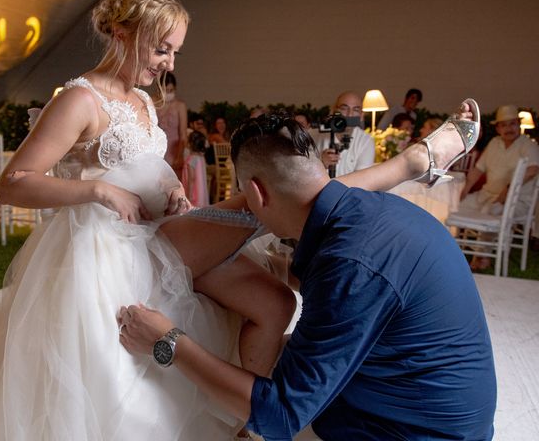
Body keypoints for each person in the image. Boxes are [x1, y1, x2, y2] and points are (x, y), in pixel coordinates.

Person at [0, 0, 298, 441]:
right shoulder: (79, 99)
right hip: (111, 248)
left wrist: (175, 188)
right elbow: (12, 185)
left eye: (174, 52)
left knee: (271, 301)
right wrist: (99, 193)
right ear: (123, 33)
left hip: (169, 232)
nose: (169, 64)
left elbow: (145, 163)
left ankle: (245, 425)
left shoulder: (141, 99)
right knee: (124, 389)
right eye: (162, 49)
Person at [118, 105, 497, 440]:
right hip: (419, 403)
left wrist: (168, 342)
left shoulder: (352, 266)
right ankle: (415, 161)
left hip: (408, 430)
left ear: (256, 194)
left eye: (246, 203)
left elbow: (280, 416)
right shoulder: (379, 210)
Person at [459, 104, 539, 270]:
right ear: (498, 128)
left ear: (519, 125)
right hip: (487, 194)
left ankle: (481, 258)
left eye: (513, 124)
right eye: (504, 125)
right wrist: (465, 190)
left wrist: (508, 190)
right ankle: (452, 250)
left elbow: (533, 169)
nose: (509, 128)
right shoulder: (495, 143)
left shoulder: (528, 145)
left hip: (516, 202)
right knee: (455, 206)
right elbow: (478, 169)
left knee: (491, 210)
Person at [313, 91, 375, 178]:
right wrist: (321, 163)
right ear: (333, 111)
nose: (349, 114)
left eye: (356, 110)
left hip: (349, 190)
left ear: (361, 115)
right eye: (344, 108)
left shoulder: (365, 141)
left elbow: (362, 179)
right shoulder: (315, 135)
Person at [156, 72, 188, 178]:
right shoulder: (153, 103)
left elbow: (183, 134)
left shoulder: (180, 106)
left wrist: (179, 156)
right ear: (160, 89)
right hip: (157, 151)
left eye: (171, 90)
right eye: (166, 90)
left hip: (174, 152)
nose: (168, 93)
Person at [182, 130, 210, 207]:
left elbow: (191, 178)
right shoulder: (201, 158)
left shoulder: (191, 160)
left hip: (194, 194)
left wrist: (189, 195)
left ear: (190, 144)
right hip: (201, 192)